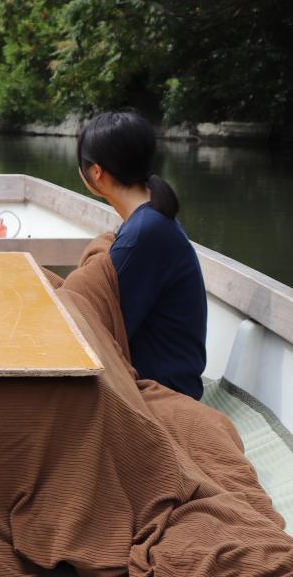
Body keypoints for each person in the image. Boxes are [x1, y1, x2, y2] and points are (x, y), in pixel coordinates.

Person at [77, 110, 207, 399]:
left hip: (163, 392)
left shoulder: (143, 234)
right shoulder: (150, 220)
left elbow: (101, 330)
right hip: (169, 377)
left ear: (95, 172)